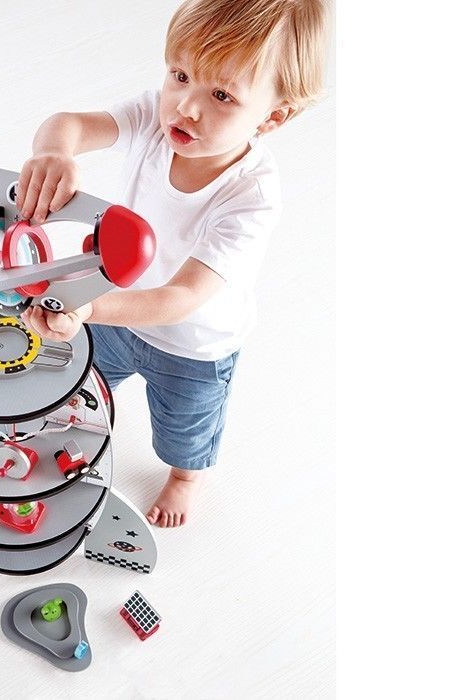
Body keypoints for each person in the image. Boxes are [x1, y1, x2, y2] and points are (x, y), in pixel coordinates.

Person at [18, 0, 329, 527]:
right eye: (180, 75)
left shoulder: (251, 196)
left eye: (222, 95)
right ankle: (83, 419)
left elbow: (180, 298)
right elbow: (68, 124)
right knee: (83, 381)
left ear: (273, 117)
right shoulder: (153, 118)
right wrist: (55, 152)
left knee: (185, 431)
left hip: (193, 347)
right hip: (115, 312)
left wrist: (87, 307)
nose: (186, 107)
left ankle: (187, 477)